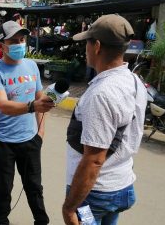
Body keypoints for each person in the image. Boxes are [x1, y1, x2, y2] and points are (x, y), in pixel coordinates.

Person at [62, 15, 147, 225]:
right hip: (121, 187)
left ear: (97, 46)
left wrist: (69, 207)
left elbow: (94, 159)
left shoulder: (101, 94)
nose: (85, 49)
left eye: (87, 43)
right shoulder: (134, 81)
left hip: (95, 196)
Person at [0, 21, 55, 225]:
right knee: (5, 185)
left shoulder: (31, 65)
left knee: (34, 186)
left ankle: (41, 221)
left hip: (30, 139)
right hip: (3, 141)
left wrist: (40, 132)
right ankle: (1, 219)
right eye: (13, 41)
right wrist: (34, 106)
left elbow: (41, 98)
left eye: (22, 40)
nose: (19, 44)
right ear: (1, 45)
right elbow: (4, 106)